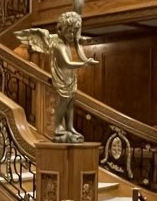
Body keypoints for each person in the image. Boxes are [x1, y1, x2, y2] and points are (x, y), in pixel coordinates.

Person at [16, 10, 98, 142]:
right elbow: (68, 63)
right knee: (63, 103)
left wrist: (86, 59)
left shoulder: (67, 43)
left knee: (71, 103)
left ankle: (70, 127)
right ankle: (58, 125)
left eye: (74, 31)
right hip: (62, 79)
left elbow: (78, 46)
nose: (72, 35)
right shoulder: (59, 46)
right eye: (69, 31)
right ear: (61, 30)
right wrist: (84, 64)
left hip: (71, 78)